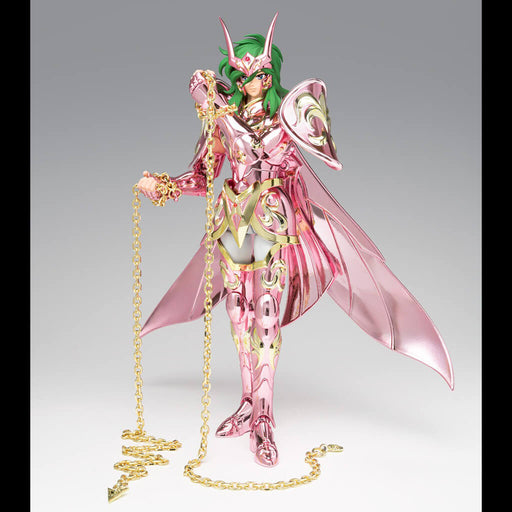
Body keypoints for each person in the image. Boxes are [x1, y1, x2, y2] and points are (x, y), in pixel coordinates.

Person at [136, 13, 453, 468]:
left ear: (270, 74)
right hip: (232, 222)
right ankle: (247, 402)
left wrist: (217, 107)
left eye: (258, 74)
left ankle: (264, 417)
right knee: (237, 311)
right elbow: (204, 177)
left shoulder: (286, 119)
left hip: (271, 220)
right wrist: (164, 186)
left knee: (265, 315)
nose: (250, 83)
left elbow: (266, 150)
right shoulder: (222, 121)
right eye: (241, 76)